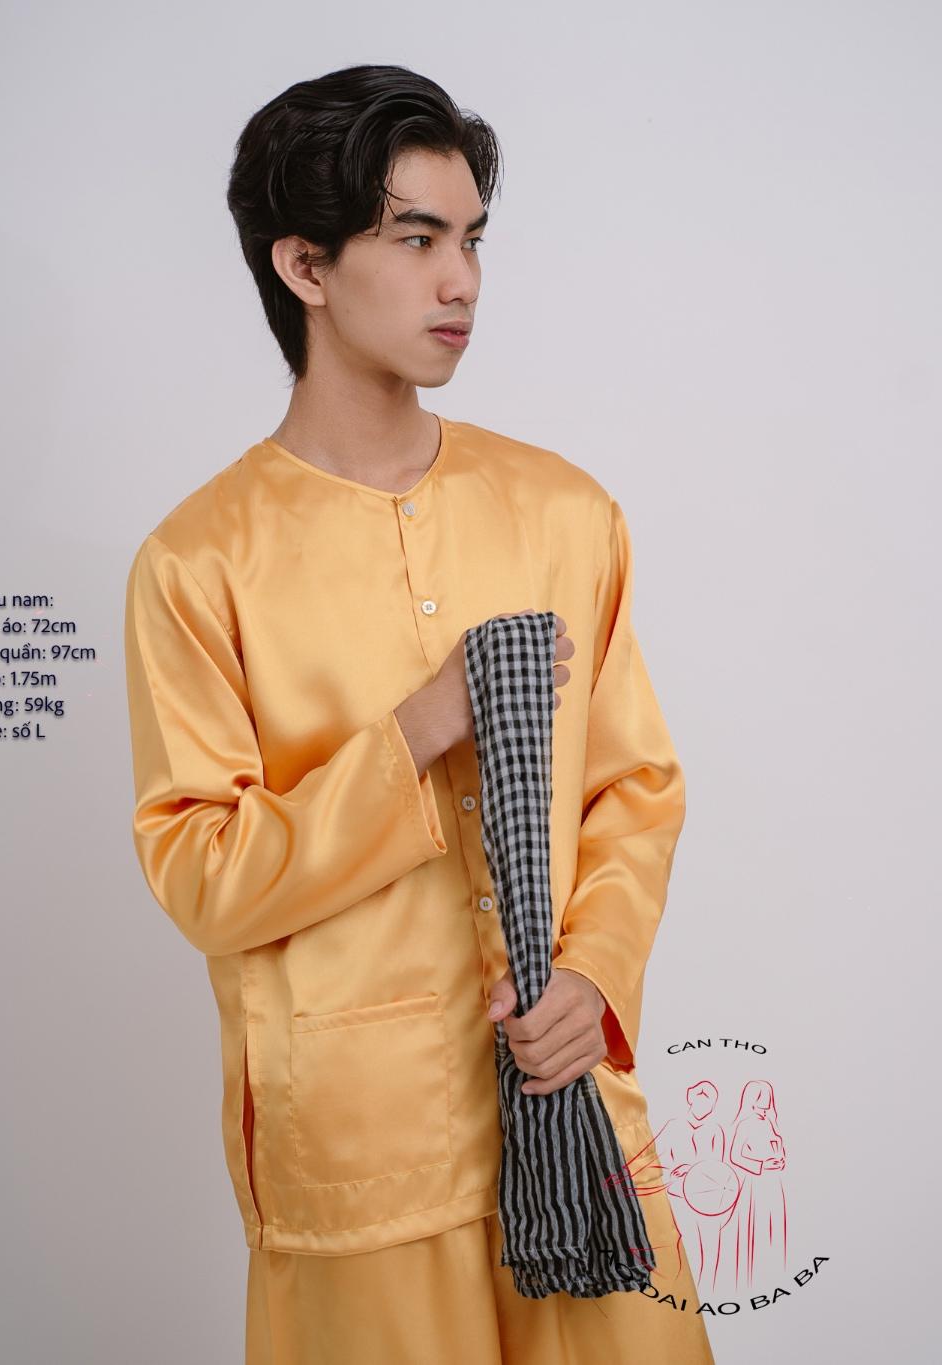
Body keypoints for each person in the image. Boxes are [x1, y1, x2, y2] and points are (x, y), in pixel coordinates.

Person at [123, 61, 715, 1365]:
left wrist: (598, 975)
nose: (462, 281)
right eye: (416, 239)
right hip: (360, 1151)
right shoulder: (200, 563)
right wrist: (414, 732)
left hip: (573, 1116)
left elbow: (634, 790)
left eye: (473, 241)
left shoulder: (565, 514)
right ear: (305, 266)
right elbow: (203, 872)